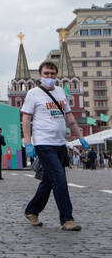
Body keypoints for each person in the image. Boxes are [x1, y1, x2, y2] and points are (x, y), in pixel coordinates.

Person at [22, 61, 88, 231]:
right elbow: (26, 119)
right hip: (44, 143)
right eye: (46, 74)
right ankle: (67, 219)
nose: (50, 77)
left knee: (48, 181)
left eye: (52, 74)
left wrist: (81, 137)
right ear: (40, 75)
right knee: (59, 179)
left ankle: (32, 210)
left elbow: (69, 116)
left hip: (60, 143)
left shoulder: (60, 92)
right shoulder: (33, 93)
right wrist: (28, 143)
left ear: (56, 75)